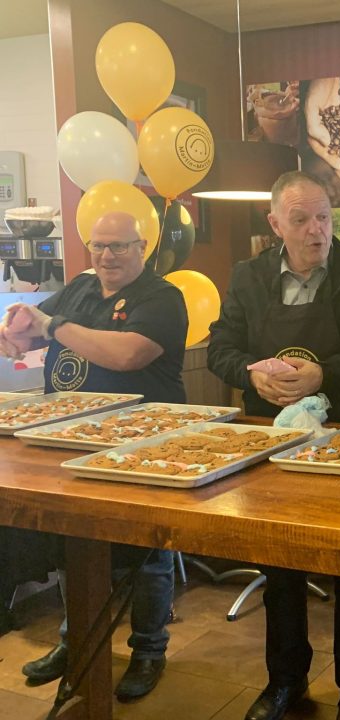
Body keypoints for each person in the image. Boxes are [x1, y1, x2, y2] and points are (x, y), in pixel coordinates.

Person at [207, 170, 340, 720]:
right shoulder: (247, 278)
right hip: (272, 446)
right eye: (301, 220)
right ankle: (284, 682)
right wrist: (251, 375)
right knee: (281, 569)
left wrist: (325, 375)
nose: (316, 230)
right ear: (275, 225)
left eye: (324, 217)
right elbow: (220, 348)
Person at [0, 211, 188, 701]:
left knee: (146, 552)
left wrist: (54, 325)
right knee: (72, 546)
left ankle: (148, 649)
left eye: (119, 247)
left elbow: (126, 355)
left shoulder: (162, 297)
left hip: (141, 443)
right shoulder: (80, 290)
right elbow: (34, 328)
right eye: (98, 246)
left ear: (142, 246)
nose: (107, 256)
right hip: (65, 436)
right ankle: (75, 641)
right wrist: (16, 330)